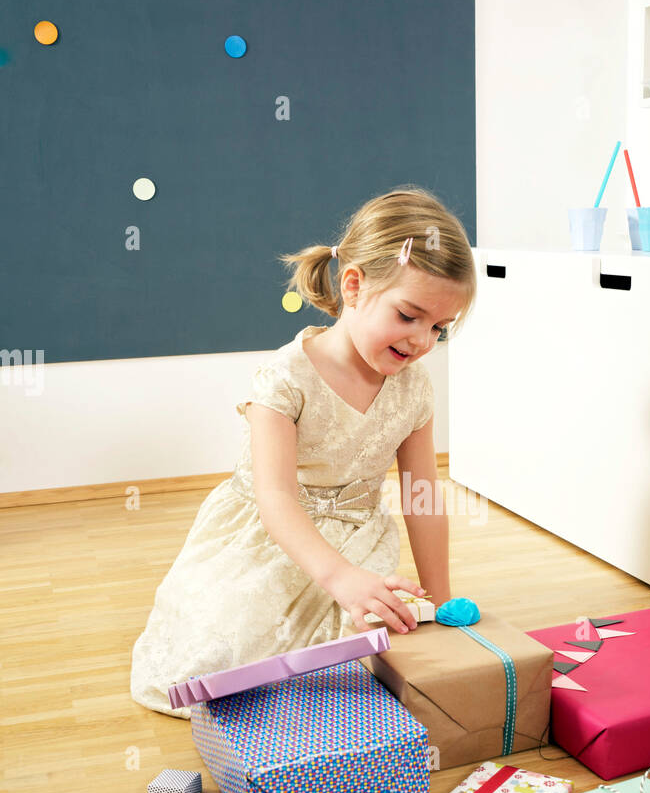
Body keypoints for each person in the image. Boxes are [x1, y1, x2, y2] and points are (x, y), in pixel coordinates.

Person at [130, 185, 476, 718]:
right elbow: (275, 498)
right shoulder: (283, 379)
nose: (423, 341)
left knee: (363, 662)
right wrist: (339, 578)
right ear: (354, 286)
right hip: (272, 537)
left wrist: (438, 597)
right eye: (409, 316)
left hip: (358, 538)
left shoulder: (415, 388)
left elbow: (422, 495)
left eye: (439, 328)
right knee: (217, 665)